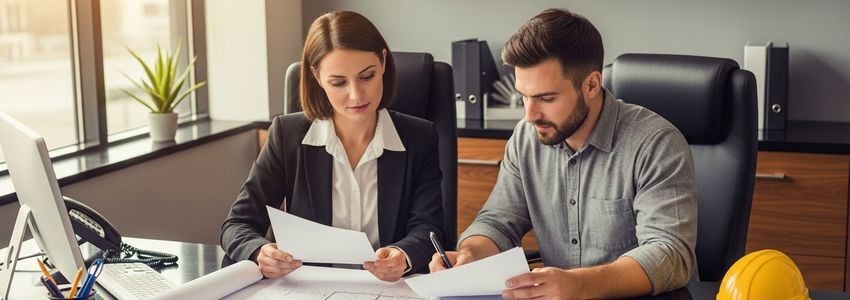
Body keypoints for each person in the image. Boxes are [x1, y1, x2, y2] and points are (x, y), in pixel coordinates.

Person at [429, 8, 697, 299]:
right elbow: (498, 221)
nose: (530, 115)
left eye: (546, 98)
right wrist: (469, 255)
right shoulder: (526, 137)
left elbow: (670, 255)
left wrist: (579, 285)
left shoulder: (655, 143)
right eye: (523, 96)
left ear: (591, 85)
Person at [221, 11, 445, 282]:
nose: (356, 94)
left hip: (388, 290)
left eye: (367, 76)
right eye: (338, 82)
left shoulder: (419, 137)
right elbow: (237, 225)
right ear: (316, 76)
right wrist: (259, 251)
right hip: (309, 289)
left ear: (384, 62)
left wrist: (403, 254)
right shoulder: (286, 135)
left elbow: (429, 228)